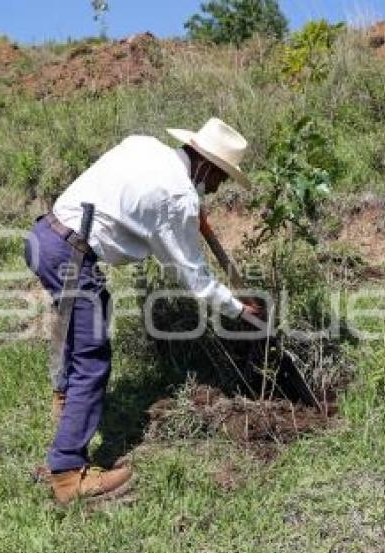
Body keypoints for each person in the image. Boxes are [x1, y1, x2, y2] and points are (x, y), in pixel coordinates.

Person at [24, 118, 263, 504]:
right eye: (220, 178)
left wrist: (189, 209)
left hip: (45, 237)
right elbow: (194, 279)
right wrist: (240, 310)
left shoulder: (145, 146)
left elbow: (135, 200)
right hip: (71, 253)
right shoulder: (178, 197)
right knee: (91, 357)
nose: (218, 188)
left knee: (78, 331)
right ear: (206, 166)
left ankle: (67, 407)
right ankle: (68, 473)